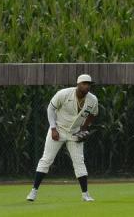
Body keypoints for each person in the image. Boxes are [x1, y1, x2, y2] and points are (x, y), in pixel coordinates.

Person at [26, 73, 99, 202]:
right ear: (78, 84)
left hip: (75, 133)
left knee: (79, 162)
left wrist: (85, 127)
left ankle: (85, 194)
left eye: (89, 84)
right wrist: (53, 128)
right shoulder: (64, 94)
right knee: (46, 159)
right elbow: (50, 109)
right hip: (58, 130)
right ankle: (33, 191)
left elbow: (93, 114)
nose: (87, 86)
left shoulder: (92, 100)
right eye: (84, 84)